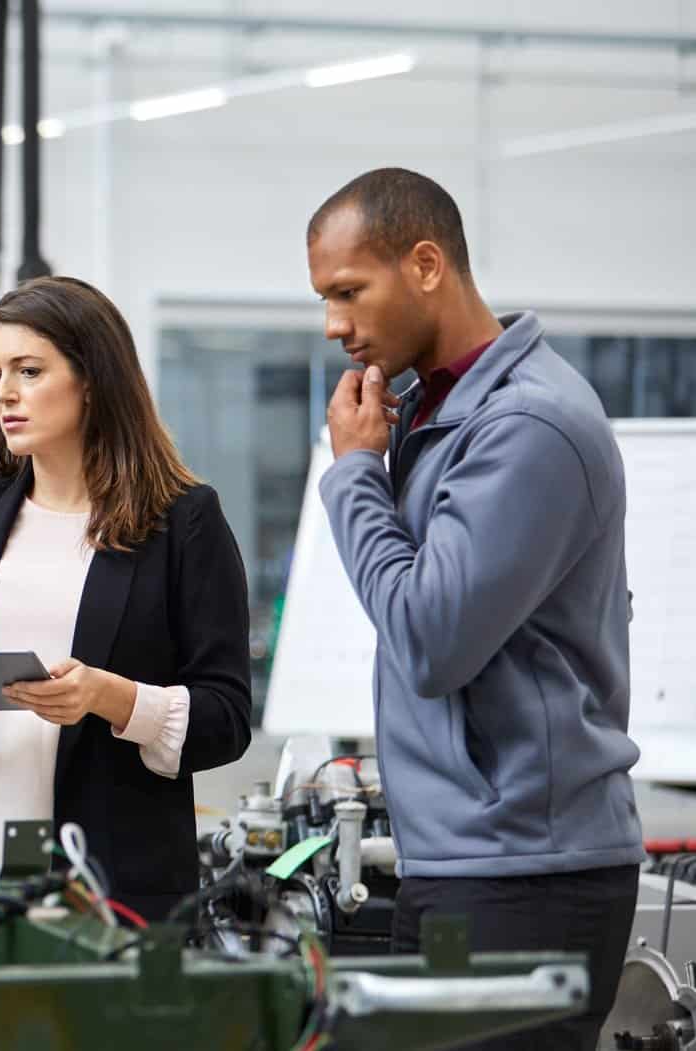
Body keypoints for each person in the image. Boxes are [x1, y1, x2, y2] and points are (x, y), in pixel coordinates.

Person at [309, 167, 641, 1049]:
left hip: (527, 873)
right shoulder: (433, 410)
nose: (335, 325)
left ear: (426, 265)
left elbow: (429, 638)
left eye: (349, 291)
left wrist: (350, 476)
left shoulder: (529, 423)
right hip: (461, 862)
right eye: (324, 299)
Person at [0, 275, 253, 920]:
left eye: (29, 370)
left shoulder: (183, 522)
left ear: (93, 379)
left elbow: (227, 717)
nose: (6, 394)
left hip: (111, 888)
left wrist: (109, 697)